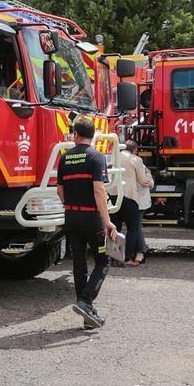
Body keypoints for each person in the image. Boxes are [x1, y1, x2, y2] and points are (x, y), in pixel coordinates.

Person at [56, 117, 118, 329]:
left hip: (71, 217)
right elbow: (99, 190)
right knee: (103, 261)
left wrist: (71, 206)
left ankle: (87, 317)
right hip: (92, 219)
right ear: (93, 136)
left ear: (75, 135)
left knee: (79, 264)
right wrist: (108, 221)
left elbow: (60, 191)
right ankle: (85, 302)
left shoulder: (64, 158)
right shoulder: (96, 157)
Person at [111, 140, 154, 266]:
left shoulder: (114, 158)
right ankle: (127, 258)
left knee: (115, 228)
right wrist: (148, 173)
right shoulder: (135, 159)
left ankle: (115, 258)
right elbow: (144, 182)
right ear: (135, 150)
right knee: (133, 228)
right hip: (129, 197)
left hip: (113, 197)